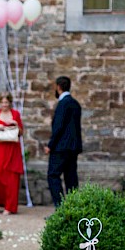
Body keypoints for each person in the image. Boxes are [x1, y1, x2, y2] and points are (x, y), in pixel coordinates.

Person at [44, 75, 83, 207]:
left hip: (60, 147)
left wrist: (50, 145)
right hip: (73, 147)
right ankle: (73, 208)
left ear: (58, 87)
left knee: (53, 176)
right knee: (71, 178)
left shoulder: (63, 104)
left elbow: (59, 127)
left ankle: (60, 208)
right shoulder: (75, 104)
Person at [0, 91, 24, 215]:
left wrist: (16, 125)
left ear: (10, 102)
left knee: (11, 179)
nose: (4, 104)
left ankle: (10, 206)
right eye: (2, 102)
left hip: (12, 148)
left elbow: (21, 133)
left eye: (6, 102)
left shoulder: (16, 114)